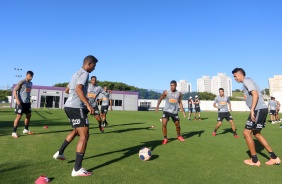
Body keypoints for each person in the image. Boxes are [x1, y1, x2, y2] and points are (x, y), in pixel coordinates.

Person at [53, 55, 97, 176]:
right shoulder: (84, 74)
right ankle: (77, 169)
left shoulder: (75, 74)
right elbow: (78, 89)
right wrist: (87, 104)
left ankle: (60, 152)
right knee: (85, 135)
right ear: (89, 64)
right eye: (94, 66)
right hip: (77, 107)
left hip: (69, 106)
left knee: (77, 131)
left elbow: (67, 90)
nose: (94, 68)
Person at [232, 67, 280, 166]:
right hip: (261, 109)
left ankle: (254, 160)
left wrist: (252, 109)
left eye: (235, 76)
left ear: (241, 75)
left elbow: (255, 94)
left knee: (246, 133)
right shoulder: (247, 82)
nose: (235, 78)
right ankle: (274, 157)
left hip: (258, 109)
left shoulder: (246, 81)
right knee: (257, 134)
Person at [156, 80, 186, 144]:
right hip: (166, 111)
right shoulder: (166, 92)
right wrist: (157, 106)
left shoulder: (179, 94)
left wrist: (183, 111)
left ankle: (179, 135)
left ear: (176, 85)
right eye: (171, 85)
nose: (172, 87)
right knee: (164, 123)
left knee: (177, 125)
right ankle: (165, 138)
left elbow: (180, 103)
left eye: (173, 85)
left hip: (174, 112)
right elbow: (160, 99)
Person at [12, 71, 34, 138]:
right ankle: (14, 132)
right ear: (27, 75)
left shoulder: (30, 83)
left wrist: (29, 100)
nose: (31, 78)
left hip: (27, 103)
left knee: (29, 115)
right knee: (18, 117)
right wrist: (17, 100)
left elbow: (28, 92)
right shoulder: (22, 82)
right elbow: (15, 90)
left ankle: (26, 129)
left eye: (32, 76)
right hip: (21, 102)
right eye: (30, 76)